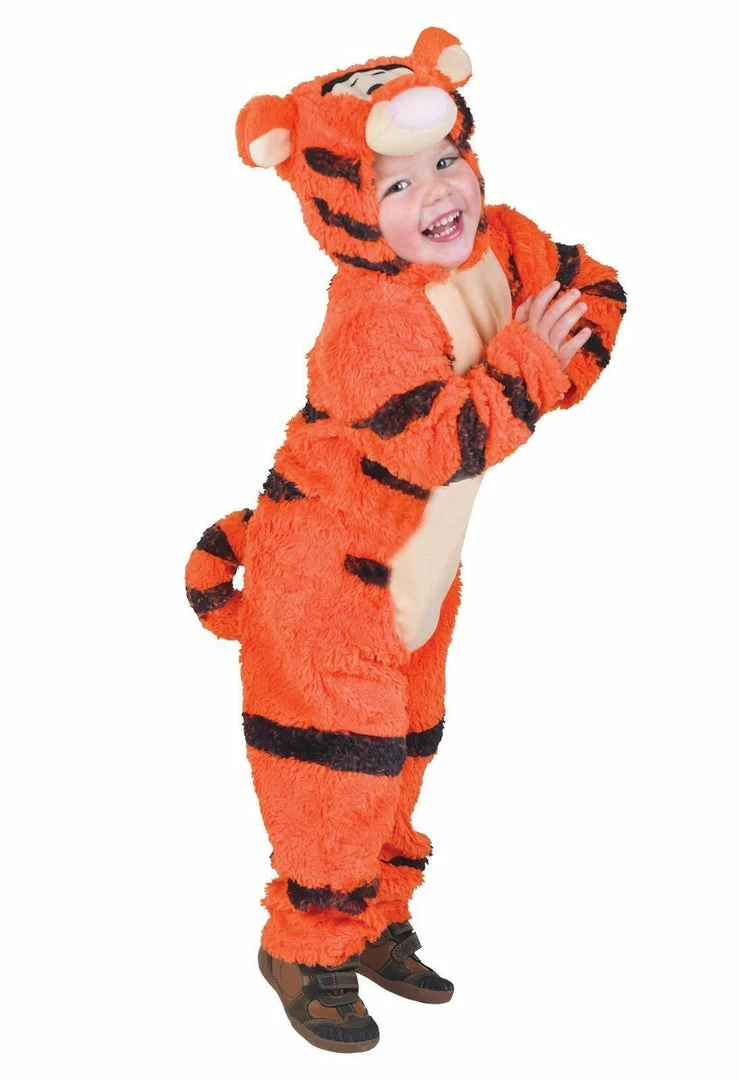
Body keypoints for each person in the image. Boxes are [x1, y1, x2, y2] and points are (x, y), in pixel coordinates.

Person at [185, 27, 626, 1055]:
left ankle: (376, 916)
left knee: (405, 752)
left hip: (419, 577)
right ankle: (305, 948)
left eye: (446, 160)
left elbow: (597, 293)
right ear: (339, 203)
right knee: (336, 774)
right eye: (396, 184)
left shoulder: (498, 243)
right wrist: (527, 369)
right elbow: (440, 443)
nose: (437, 194)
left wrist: (539, 372)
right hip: (324, 582)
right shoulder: (369, 319)